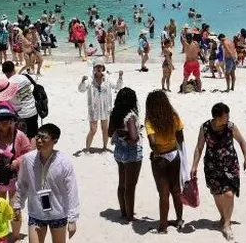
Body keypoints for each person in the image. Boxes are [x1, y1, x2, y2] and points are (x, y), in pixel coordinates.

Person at [13, 123, 80, 243]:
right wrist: (17, 205)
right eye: (38, 136)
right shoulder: (28, 160)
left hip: (58, 213)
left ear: (54, 140)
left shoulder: (64, 162)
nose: (39, 140)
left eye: (44, 137)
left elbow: (72, 190)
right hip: (36, 212)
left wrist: (73, 219)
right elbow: (22, 184)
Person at [191, 102, 246, 240]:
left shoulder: (231, 127)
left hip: (230, 164)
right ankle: (223, 218)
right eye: (226, 116)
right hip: (212, 166)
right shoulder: (205, 127)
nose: (228, 118)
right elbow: (199, 147)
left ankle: (227, 224)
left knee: (229, 194)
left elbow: (242, 142)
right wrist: (194, 166)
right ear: (217, 117)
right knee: (217, 194)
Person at [0, 102, 32, 243]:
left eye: (8, 119)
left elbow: (28, 152)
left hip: (16, 178)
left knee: (15, 208)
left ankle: (15, 236)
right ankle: (2, 233)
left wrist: (17, 161)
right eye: (1, 119)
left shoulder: (19, 136)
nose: (5, 122)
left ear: (12, 120)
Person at [145, 90, 185, 233]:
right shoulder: (174, 116)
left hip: (160, 158)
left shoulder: (150, 120)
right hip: (174, 155)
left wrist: (156, 152)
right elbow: (180, 137)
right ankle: (179, 220)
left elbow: (152, 142)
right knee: (176, 190)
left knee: (163, 193)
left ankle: (163, 226)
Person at [108, 87, 143, 223]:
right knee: (130, 186)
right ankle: (129, 216)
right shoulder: (130, 116)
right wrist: (135, 135)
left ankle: (123, 211)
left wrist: (122, 134)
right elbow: (134, 137)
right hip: (131, 152)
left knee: (122, 183)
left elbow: (109, 133)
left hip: (119, 150)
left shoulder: (115, 114)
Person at [77, 61, 124, 152]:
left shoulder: (107, 79)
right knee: (93, 130)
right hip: (93, 109)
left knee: (105, 129)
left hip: (105, 108)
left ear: (103, 68)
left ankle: (104, 147)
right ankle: (87, 149)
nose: (99, 68)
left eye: (100, 66)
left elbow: (117, 86)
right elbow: (81, 90)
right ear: (94, 68)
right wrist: (82, 81)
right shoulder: (89, 80)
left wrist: (120, 77)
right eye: (97, 67)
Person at [0, 60, 39, 139]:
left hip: (20, 115)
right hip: (33, 111)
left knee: (20, 138)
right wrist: (29, 70)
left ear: (3, 72)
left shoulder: (6, 86)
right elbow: (35, 77)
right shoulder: (24, 77)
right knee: (32, 136)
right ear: (14, 69)